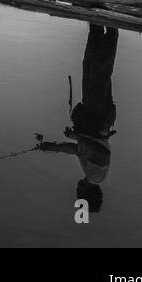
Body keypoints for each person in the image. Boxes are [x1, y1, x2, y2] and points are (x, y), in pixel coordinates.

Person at [37, 22, 119, 214]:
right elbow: (102, 154)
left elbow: (77, 151)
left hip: (93, 117)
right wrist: (78, 137)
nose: (76, 191)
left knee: (91, 68)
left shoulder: (89, 174)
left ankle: (96, 27)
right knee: (99, 72)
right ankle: (112, 30)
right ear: (86, 193)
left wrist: (53, 147)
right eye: (79, 195)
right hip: (98, 118)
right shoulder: (96, 177)